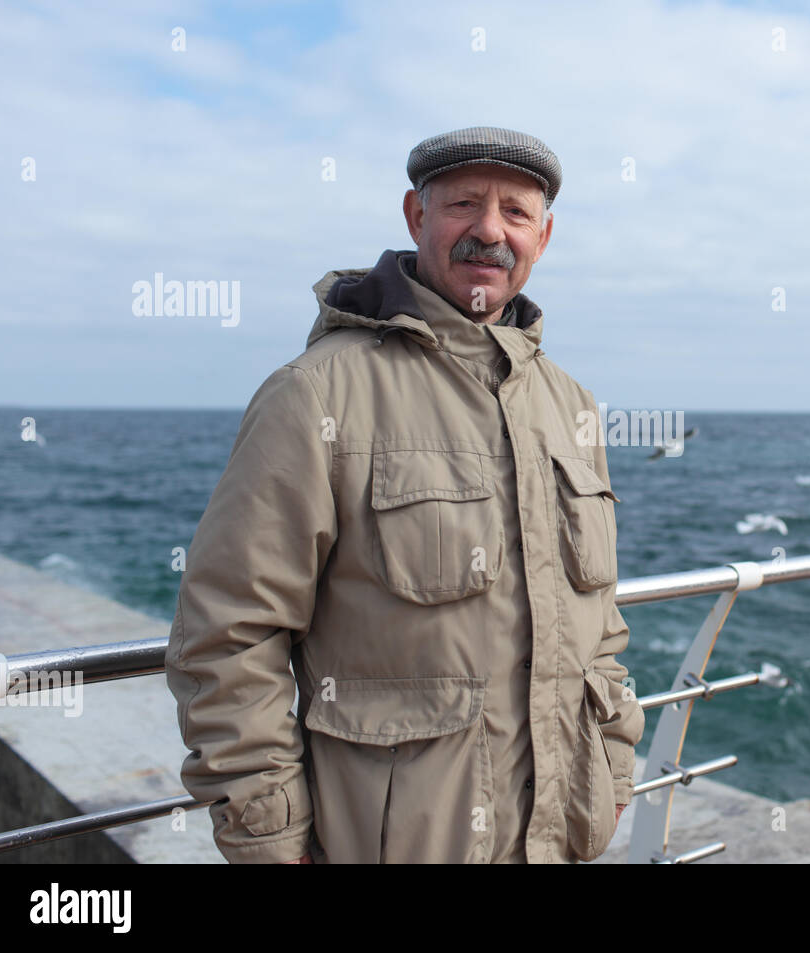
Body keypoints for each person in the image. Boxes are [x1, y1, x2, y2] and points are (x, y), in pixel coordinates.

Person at [164, 126, 644, 864]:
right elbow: (229, 629)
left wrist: (614, 760)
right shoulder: (317, 393)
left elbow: (599, 623)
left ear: (542, 238)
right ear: (417, 218)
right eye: (463, 205)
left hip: (557, 838)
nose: (490, 229)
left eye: (516, 213)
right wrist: (269, 829)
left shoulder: (569, 402)